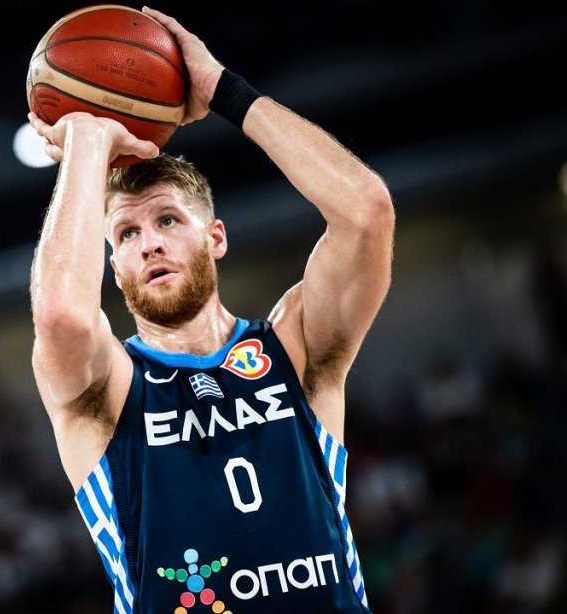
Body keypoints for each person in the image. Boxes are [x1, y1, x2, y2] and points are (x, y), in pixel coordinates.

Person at [27, 6, 394, 614]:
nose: (149, 243)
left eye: (168, 220)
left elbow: (367, 212)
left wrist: (225, 90)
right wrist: (88, 142)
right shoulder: (108, 390)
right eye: (126, 234)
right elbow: (61, 315)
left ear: (215, 237)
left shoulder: (295, 350)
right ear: (112, 267)